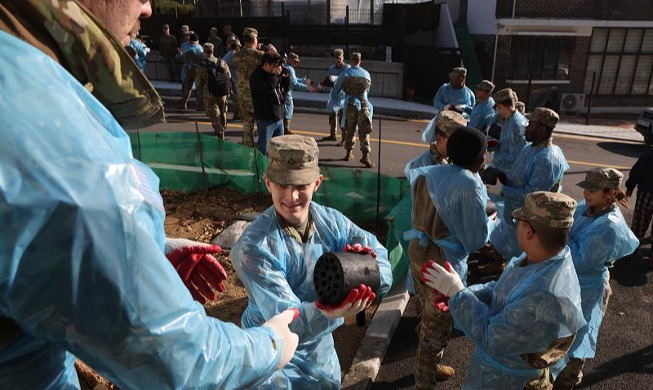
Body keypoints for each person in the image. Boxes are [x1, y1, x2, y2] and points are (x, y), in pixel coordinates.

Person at [0, 1, 300, 388]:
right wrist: (272, 343)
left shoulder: (18, 69)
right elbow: (179, 361)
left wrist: (146, 249)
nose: (147, 9)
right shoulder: (70, 154)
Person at [231, 134, 393, 388]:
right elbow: (289, 323)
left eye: (301, 185)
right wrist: (331, 312)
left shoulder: (331, 223)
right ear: (267, 182)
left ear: (316, 183)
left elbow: (381, 261)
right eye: (282, 185)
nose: (291, 196)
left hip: (320, 352)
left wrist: (367, 269)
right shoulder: (255, 248)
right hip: (272, 356)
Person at [422, 191, 586, 389]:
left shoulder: (544, 295)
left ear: (528, 232)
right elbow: (501, 290)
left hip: (509, 381)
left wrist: (459, 295)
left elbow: (492, 338)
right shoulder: (542, 261)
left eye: (519, 221)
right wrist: (461, 294)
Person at [405, 127, 491, 386]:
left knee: (428, 313)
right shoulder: (470, 184)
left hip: (419, 250)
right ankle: (424, 381)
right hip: (442, 262)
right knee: (438, 324)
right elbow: (476, 239)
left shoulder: (428, 172)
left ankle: (428, 366)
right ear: (478, 159)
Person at [549, 168, 639, 389]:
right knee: (558, 337)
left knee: (574, 341)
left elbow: (580, 260)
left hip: (586, 288)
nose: (586, 194)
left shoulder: (609, 226)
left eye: (592, 190)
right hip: (570, 281)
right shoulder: (588, 208)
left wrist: (560, 234)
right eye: (585, 188)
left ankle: (566, 381)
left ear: (610, 193)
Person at [488, 107, 569, 262]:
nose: (526, 126)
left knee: (521, 254)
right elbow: (519, 173)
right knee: (510, 243)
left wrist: (503, 190)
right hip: (515, 212)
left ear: (541, 128)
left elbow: (533, 197)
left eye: (530, 124)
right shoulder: (530, 148)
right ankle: (501, 261)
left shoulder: (547, 160)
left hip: (527, 218)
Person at [330, 52, 375, 168]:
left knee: (350, 129)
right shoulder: (366, 74)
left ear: (350, 60)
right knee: (364, 130)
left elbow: (336, 90)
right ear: (360, 61)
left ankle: (349, 153)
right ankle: (365, 156)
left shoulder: (345, 74)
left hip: (349, 104)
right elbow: (367, 91)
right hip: (364, 104)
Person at [234, 27, 274, 147]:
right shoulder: (260, 56)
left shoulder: (237, 54)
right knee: (263, 124)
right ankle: (263, 150)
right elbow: (275, 65)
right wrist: (272, 52)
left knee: (247, 123)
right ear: (254, 40)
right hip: (257, 94)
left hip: (242, 93)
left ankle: (247, 149)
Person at [251, 52, 285, 154]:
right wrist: (274, 75)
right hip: (265, 118)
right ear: (266, 64)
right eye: (275, 66)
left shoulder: (274, 75)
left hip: (278, 116)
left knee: (279, 147)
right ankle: (262, 169)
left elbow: (285, 84)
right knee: (264, 149)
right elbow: (269, 89)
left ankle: (275, 168)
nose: (277, 68)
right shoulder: (257, 76)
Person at [196, 42, 231, 140]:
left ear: (204, 51)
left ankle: (220, 134)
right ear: (212, 51)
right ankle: (223, 131)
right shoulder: (221, 62)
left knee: (214, 114)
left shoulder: (202, 65)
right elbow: (229, 76)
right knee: (222, 112)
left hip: (210, 92)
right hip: (223, 91)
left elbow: (199, 82)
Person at [490, 88, 529, 175]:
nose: (497, 112)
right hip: (506, 171)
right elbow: (508, 144)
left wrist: (494, 163)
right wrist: (496, 144)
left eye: (497, 109)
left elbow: (517, 157)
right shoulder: (508, 120)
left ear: (500, 106)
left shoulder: (516, 125)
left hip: (512, 173)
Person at [625, 148, 653, 268]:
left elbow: (637, 171)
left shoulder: (650, 154)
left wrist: (630, 186)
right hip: (648, 189)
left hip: (647, 191)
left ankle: (633, 249)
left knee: (639, 222)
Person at [321, 48, 351, 144]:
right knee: (332, 116)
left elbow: (347, 79)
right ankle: (333, 134)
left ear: (343, 57)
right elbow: (328, 80)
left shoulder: (347, 68)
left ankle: (344, 137)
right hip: (334, 96)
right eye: (336, 58)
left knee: (343, 119)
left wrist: (335, 78)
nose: (338, 60)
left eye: (340, 58)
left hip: (343, 97)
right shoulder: (332, 68)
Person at [281, 52, 315, 135]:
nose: (296, 63)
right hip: (287, 90)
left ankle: (282, 126)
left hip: (281, 90)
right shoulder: (290, 69)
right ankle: (286, 128)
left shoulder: (284, 66)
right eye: (295, 61)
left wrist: (302, 80)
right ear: (289, 59)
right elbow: (294, 83)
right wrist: (306, 87)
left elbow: (294, 79)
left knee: (283, 108)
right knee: (289, 107)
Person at [179, 32, 204, 110]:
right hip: (196, 68)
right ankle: (200, 104)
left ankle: (184, 102)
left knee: (187, 86)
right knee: (199, 87)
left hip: (186, 68)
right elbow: (202, 57)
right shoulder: (199, 47)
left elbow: (180, 55)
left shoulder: (185, 45)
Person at [223, 36, 242, 121]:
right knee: (238, 97)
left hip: (233, 77)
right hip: (238, 77)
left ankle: (237, 114)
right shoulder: (239, 54)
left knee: (236, 97)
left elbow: (223, 64)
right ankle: (238, 114)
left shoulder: (229, 55)